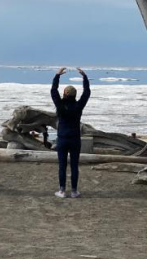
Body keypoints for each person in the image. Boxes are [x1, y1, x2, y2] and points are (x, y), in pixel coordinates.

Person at [51, 67, 90, 198]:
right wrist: (84, 77)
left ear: (65, 94)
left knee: (62, 165)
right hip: (75, 139)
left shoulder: (60, 106)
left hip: (62, 139)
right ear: (74, 95)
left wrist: (57, 76)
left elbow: (53, 91)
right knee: (74, 165)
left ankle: (62, 190)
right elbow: (87, 93)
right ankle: (74, 191)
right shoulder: (78, 106)